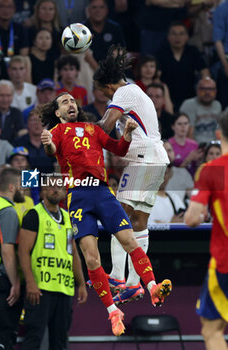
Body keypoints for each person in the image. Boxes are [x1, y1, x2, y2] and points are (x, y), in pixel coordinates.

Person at [40, 92, 172, 336]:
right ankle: (113, 311)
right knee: (91, 259)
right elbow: (51, 151)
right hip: (78, 197)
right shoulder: (57, 132)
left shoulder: (93, 129)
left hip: (102, 192)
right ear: (57, 113)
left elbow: (118, 149)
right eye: (64, 102)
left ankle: (152, 287)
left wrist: (127, 135)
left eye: (72, 100)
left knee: (130, 240)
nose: (71, 103)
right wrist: (47, 141)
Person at [93, 45, 170, 304]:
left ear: (109, 86)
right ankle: (134, 284)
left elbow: (102, 127)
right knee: (138, 222)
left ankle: (115, 275)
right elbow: (115, 138)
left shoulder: (125, 92)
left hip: (143, 159)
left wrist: (75, 132)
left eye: (102, 91)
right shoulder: (132, 94)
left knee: (119, 216)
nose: (102, 96)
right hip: (155, 159)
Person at [18, 176, 88, 350]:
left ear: (64, 191)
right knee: (34, 338)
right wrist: (31, 283)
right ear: (42, 191)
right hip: (40, 289)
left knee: (60, 341)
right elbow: (23, 252)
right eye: (50, 186)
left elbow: (74, 255)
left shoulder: (67, 217)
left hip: (64, 288)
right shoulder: (34, 214)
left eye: (59, 186)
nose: (55, 189)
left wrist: (81, 284)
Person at [184, 110, 228, 350]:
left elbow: (191, 219)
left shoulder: (212, 170)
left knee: (212, 329)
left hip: (225, 263)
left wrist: (199, 214)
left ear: (219, 134)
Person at [0, 167, 25, 350]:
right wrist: (15, 282)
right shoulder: (7, 211)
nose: (24, 190)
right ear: (13, 187)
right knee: (1, 337)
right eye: (22, 185)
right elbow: (7, 250)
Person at [156, 21, 210, 112]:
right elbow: (157, 77)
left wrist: (205, 85)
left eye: (181, 34)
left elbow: (204, 71)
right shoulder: (162, 53)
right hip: (169, 97)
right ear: (168, 37)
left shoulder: (193, 51)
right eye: (174, 34)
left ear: (187, 37)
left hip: (190, 97)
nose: (177, 38)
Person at [0, 0, 29, 83]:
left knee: (26, 60)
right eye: (2, 6)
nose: (6, 10)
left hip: (15, 68)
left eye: (9, 7)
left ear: (14, 10)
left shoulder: (20, 29)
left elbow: (24, 53)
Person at [179, 77, 222, 143]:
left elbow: (219, 130)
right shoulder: (189, 105)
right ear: (197, 90)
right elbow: (187, 132)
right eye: (203, 89)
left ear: (216, 91)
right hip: (196, 147)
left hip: (214, 148)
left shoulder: (217, 105)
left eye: (210, 89)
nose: (207, 92)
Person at [14, 108, 55, 174]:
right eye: (34, 120)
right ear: (27, 123)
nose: (37, 123)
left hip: (49, 180)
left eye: (41, 120)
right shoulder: (18, 143)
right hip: (27, 179)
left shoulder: (53, 142)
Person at [169, 113, 203, 177]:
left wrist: (199, 161)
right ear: (173, 126)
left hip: (192, 180)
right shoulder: (169, 145)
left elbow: (198, 169)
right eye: (179, 124)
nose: (183, 127)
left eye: (186, 123)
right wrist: (188, 160)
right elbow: (169, 171)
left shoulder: (195, 145)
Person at [0, 79, 27, 144]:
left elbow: (22, 131)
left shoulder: (17, 113)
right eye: (2, 95)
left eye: (8, 95)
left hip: (12, 149)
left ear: (13, 96)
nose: (5, 99)